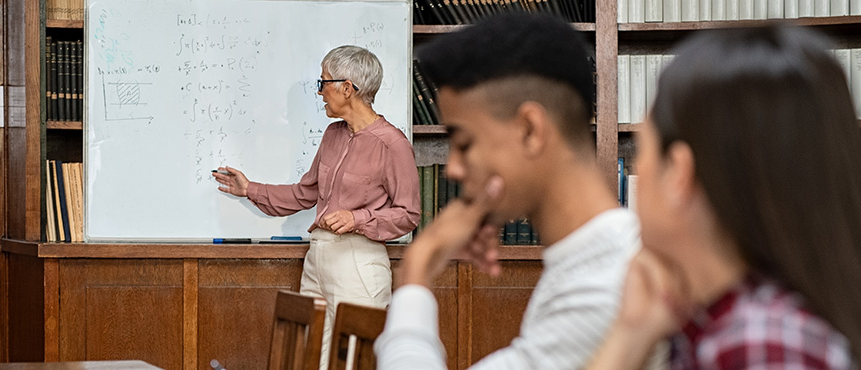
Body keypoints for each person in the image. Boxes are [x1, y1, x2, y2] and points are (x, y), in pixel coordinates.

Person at [375, 13, 663, 370]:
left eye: (464, 143)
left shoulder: (605, 289)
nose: (453, 169)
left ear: (530, 130)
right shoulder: (595, 260)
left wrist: (417, 267)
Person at [585, 25, 861, 369]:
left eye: (642, 149)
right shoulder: (716, 321)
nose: (639, 164)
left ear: (678, 173)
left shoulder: (761, 344)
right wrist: (630, 334)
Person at [213, 45, 420, 368]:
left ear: (347, 88)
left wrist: (358, 218)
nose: (320, 91)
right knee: (307, 358)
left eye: (324, 82)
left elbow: (409, 214)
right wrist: (249, 189)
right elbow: (305, 193)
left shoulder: (392, 144)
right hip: (318, 258)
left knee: (352, 361)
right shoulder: (333, 135)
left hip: (359, 263)